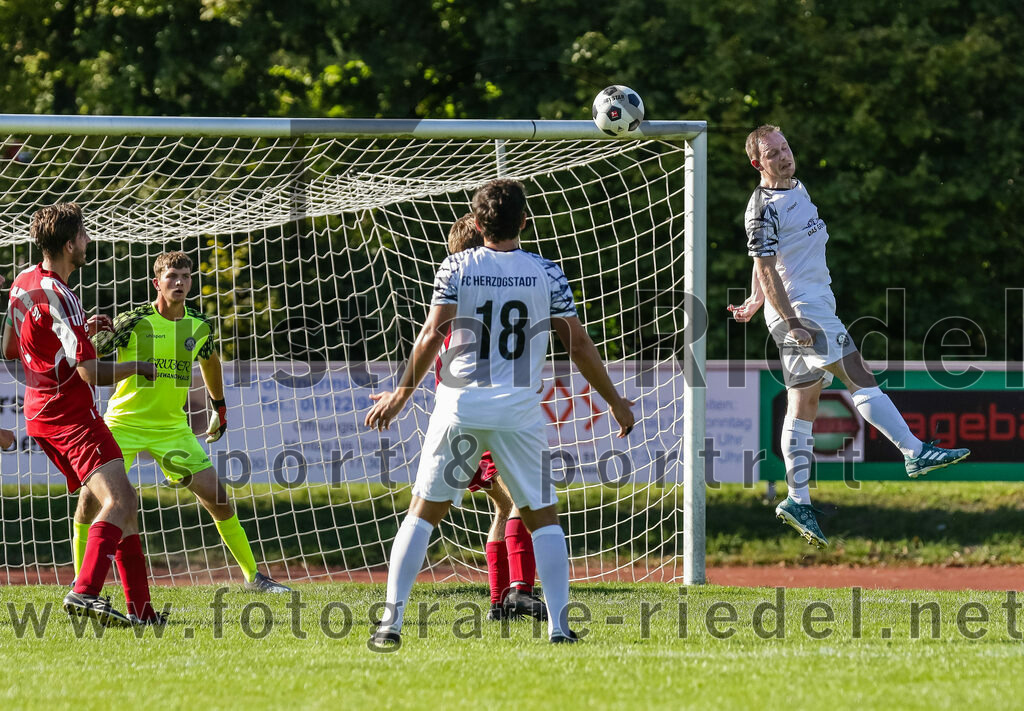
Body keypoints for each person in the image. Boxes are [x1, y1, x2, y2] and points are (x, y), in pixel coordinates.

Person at [365, 179, 635, 648]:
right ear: (525, 222)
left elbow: (431, 336)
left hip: (459, 406)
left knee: (422, 515)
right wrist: (614, 400)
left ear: (475, 223)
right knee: (543, 519)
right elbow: (578, 343)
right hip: (518, 411)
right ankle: (559, 627)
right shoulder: (546, 272)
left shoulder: (456, 266)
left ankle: (391, 623)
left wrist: (400, 395)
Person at [728, 125, 970, 548]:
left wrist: (753, 300)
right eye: (774, 154)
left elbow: (768, 257)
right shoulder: (761, 206)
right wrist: (792, 319)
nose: (785, 157)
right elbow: (765, 264)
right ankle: (914, 452)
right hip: (801, 310)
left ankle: (797, 499)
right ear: (757, 163)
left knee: (804, 402)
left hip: (799, 308)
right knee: (857, 372)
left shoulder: (797, 188)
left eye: (786, 148)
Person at [79, 251, 290, 593]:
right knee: (90, 502)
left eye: (185, 277)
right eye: (171, 277)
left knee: (218, 498)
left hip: (172, 429)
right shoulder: (132, 321)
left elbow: (209, 362)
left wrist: (218, 407)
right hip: (122, 424)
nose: (179, 283)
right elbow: (87, 358)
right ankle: (81, 583)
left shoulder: (199, 324)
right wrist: (87, 335)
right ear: (156, 283)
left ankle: (254, 578)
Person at [2, 202, 162, 626]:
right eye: (85, 236)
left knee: (122, 503)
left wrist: (76, 334)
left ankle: (142, 612)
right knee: (121, 499)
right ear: (71, 243)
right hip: (70, 413)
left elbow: (10, 348)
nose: (89, 242)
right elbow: (90, 373)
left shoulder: (23, 282)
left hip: (40, 415)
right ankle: (85, 592)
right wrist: (137, 367)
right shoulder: (64, 295)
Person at [443, 215, 545, 622]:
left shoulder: (454, 303)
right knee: (525, 498)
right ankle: (520, 591)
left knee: (504, 508)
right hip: (486, 422)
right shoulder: (480, 306)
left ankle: (497, 602)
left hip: (461, 426)